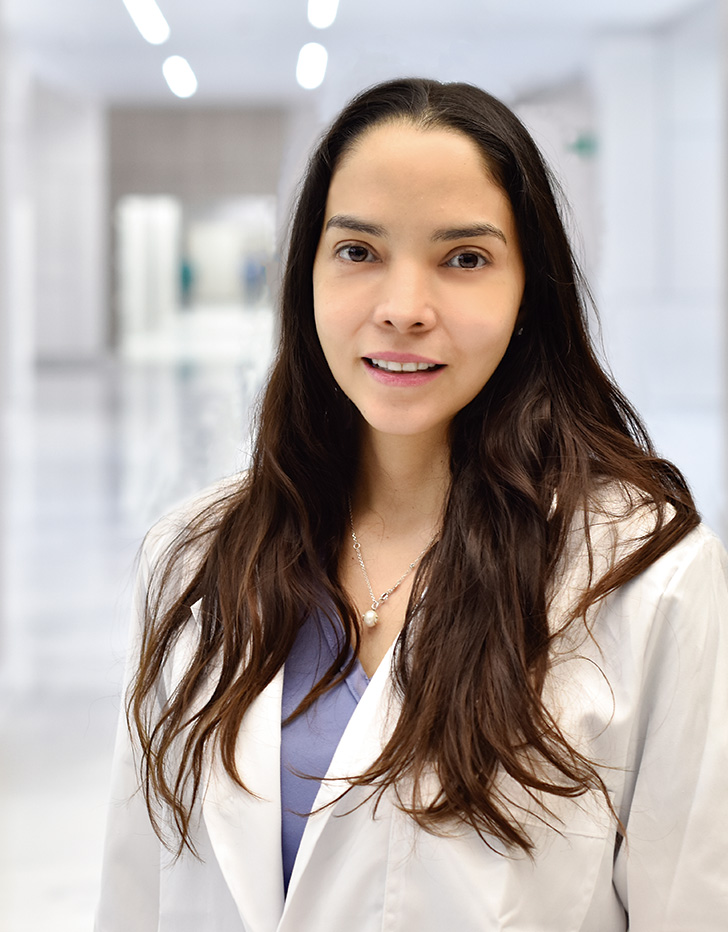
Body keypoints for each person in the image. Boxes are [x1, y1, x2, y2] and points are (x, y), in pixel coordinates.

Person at [95, 78, 728, 931]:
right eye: (359, 251)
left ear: (527, 293)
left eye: (464, 258)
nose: (403, 310)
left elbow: (692, 901)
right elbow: (139, 893)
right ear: (307, 275)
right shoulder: (196, 556)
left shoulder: (647, 580)